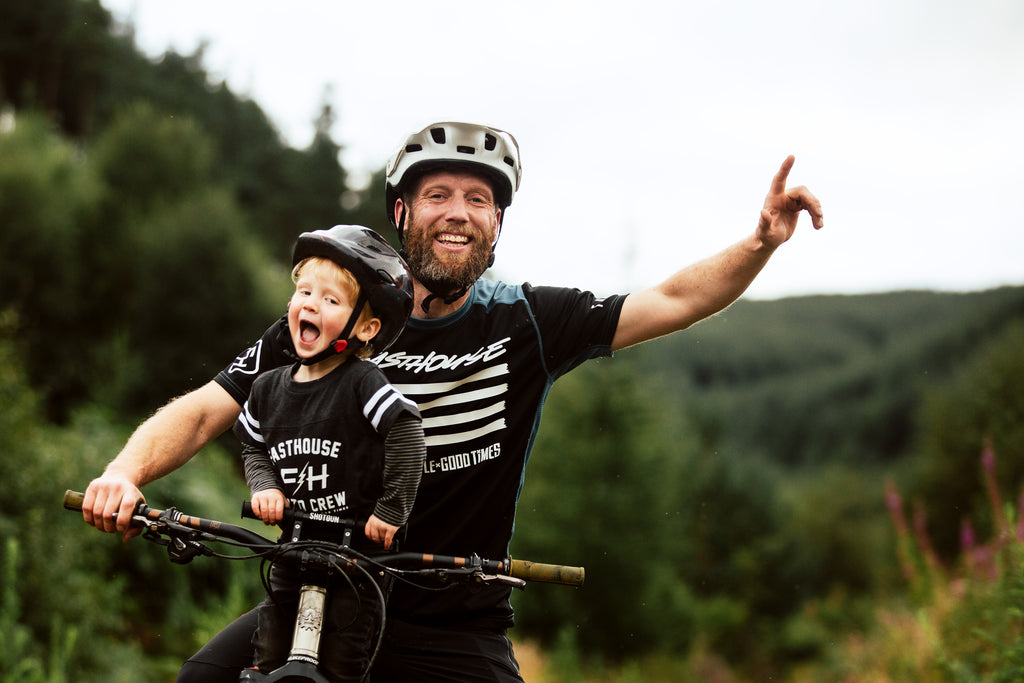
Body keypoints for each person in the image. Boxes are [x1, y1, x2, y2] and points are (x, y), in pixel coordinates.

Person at [81, 121, 824, 682]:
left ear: (497, 224)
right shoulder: (334, 317)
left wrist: (760, 242)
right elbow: (210, 406)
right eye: (438, 193)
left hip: (457, 624)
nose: (459, 211)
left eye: (479, 198)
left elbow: (673, 298)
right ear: (402, 212)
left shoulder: (525, 319)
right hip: (322, 598)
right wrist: (124, 471)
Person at [235, 225, 424, 680]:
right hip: (294, 550)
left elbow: (406, 431)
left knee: (340, 669)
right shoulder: (267, 389)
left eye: (331, 300)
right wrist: (265, 487)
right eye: (304, 291)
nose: (311, 304)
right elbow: (253, 444)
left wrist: (391, 511)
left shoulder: (361, 383)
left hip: (356, 559)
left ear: (366, 327)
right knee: (268, 662)